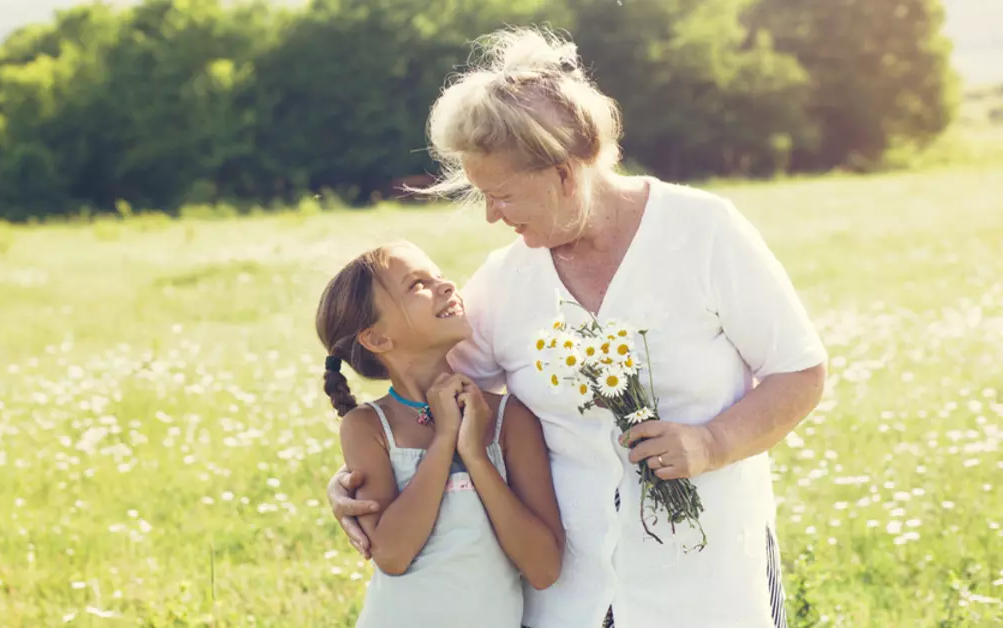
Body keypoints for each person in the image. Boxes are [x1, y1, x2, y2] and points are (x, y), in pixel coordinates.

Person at [326, 26, 827, 628]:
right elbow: (429, 395)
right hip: (569, 594)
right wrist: (361, 481)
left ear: (565, 175)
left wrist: (711, 443)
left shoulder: (704, 231)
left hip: (707, 577)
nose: (491, 215)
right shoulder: (504, 282)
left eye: (503, 194)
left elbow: (799, 372)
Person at [316, 241, 565, 627]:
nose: (446, 285)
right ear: (377, 338)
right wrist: (445, 438)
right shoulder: (369, 427)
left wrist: (476, 457)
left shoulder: (508, 418)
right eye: (417, 284)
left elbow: (544, 568)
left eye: (439, 274)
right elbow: (393, 556)